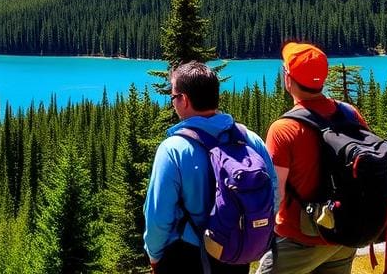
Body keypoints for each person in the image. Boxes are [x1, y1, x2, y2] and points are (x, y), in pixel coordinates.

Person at [144, 61, 277, 273]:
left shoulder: (173, 149)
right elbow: (273, 192)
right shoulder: (250, 139)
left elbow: (158, 218)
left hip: (187, 256)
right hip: (234, 253)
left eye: (173, 97)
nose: (173, 102)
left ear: (184, 100)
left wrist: (154, 256)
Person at [257, 42, 367, 274]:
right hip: (342, 234)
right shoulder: (350, 113)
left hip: (299, 238)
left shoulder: (284, 128)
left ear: (288, 78)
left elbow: (275, 196)